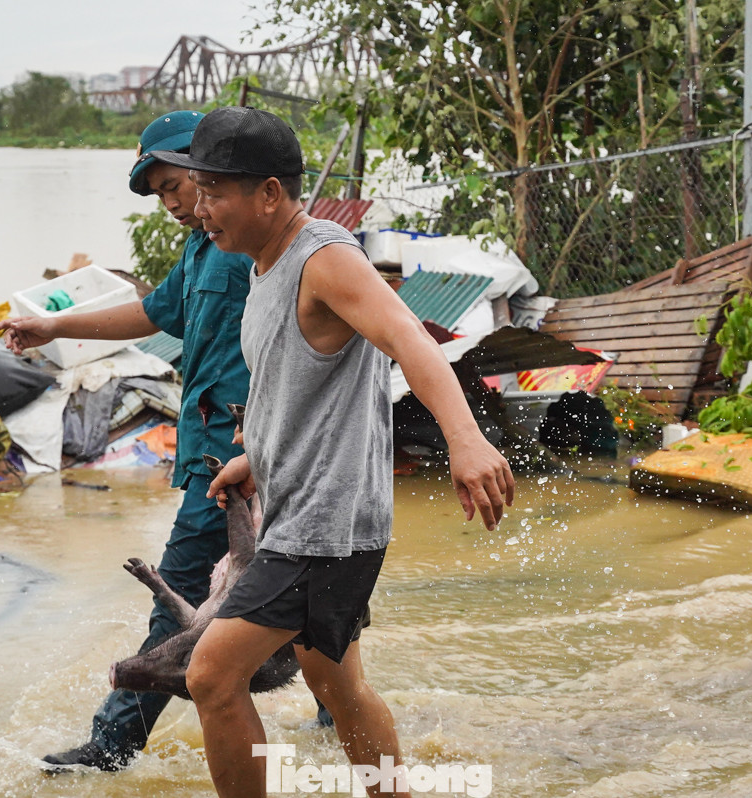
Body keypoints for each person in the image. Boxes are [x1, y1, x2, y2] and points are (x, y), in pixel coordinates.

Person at [166, 106, 515, 798]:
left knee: (210, 676)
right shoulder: (266, 264)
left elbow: (408, 338)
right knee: (339, 684)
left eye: (215, 192)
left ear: (269, 193)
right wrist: (255, 459)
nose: (201, 209)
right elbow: (295, 387)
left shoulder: (324, 260)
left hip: (323, 529)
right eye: (197, 190)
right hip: (307, 514)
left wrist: (465, 437)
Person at [0, 110, 257, 771]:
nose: (169, 204)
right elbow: (152, 312)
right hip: (214, 450)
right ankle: (342, 726)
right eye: (161, 193)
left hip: (236, 453)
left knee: (182, 594)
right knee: (291, 590)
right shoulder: (201, 246)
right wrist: (57, 328)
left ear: (206, 170)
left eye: (172, 186)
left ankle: (112, 744)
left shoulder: (249, 244)